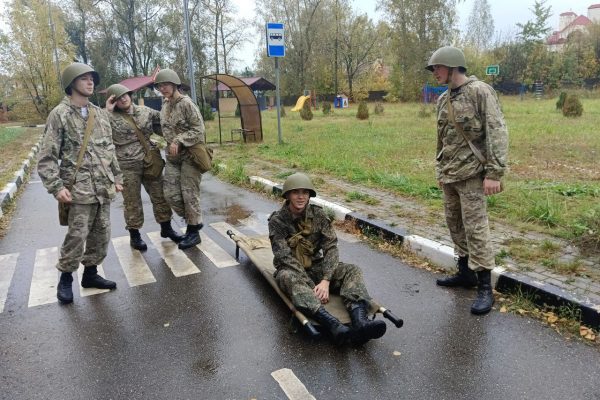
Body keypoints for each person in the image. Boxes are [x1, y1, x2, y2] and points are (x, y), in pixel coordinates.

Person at [426, 46, 508, 315]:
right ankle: (465, 273)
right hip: (450, 174)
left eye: (437, 68)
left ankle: (485, 287)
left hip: (473, 174)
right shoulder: (443, 99)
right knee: (455, 224)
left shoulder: (480, 91)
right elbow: (442, 140)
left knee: (476, 229)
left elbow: (496, 131)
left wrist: (494, 173)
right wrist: (441, 170)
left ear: (452, 66)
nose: (434, 73)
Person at [38, 63, 123, 304]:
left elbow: (109, 148)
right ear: (71, 83)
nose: (90, 82)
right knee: (77, 236)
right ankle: (66, 279)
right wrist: (56, 187)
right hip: (78, 189)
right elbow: (46, 157)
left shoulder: (98, 113)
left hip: (102, 188)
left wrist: (117, 177)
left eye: (91, 79)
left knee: (101, 234)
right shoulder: (60, 115)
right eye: (84, 79)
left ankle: (91, 274)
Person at [268, 173, 387, 345]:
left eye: (305, 192)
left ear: (310, 195)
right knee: (288, 278)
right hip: (292, 271)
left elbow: (331, 247)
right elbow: (283, 257)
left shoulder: (319, 215)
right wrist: (310, 286)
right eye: (296, 192)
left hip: (317, 266)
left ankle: (360, 321)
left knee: (352, 270)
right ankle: (334, 325)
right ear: (287, 195)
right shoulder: (277, 221)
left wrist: (325, 280)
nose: (301, 197)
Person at [105, 83, 183, 250]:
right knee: (132, 202)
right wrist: (107, 111)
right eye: (118, 97)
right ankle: (135, 235)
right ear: (113, 101)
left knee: (160, 195)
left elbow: (165, 122)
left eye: (125, 94)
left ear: (130, 95)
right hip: (126, 166)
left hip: (149, 162)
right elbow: (98, 133)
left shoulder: (145, 111)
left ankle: (166, 228)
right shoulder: (108, 118)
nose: (123, 98)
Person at [154, 69, 205, 250]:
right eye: (160, 86)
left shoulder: (186, 104)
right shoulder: (165, 105)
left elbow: (199, 130)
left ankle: (194, 232)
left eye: (166, 85)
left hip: (190, 155)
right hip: (173, 157)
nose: (163, 88)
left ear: (175, 85)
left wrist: (179, 140)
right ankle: (195, 222)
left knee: (189, 193)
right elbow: (165, 129)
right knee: (170, 193)